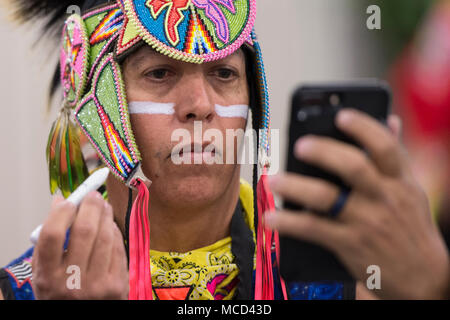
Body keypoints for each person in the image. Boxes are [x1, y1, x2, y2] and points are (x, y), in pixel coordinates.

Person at [0, 0, 448, 300]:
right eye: (159, 73)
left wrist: (430, 286)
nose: (201, 107)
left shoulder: (339, 272)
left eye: (224, 75)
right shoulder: (34, 289)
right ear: (95, 114)